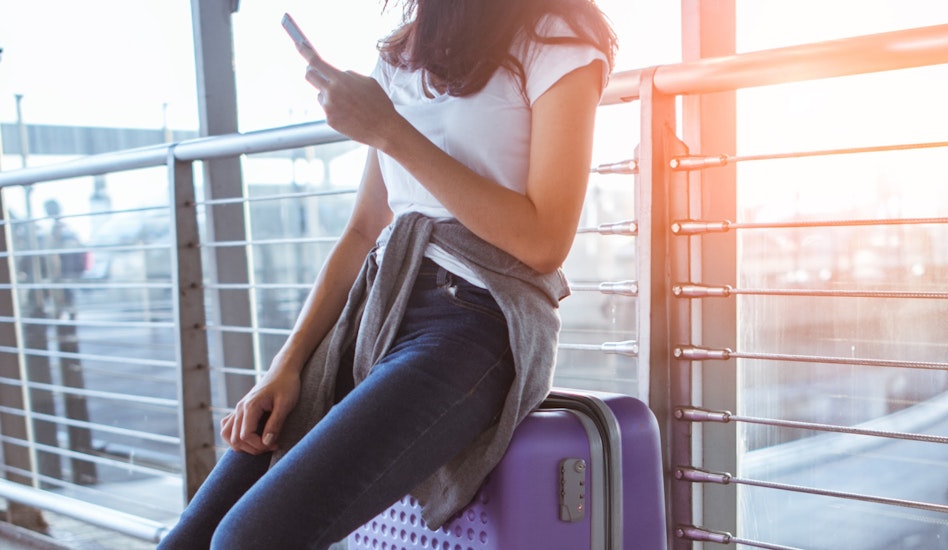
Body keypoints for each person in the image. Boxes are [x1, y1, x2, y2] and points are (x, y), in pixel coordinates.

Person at [158, 0, 616, 547]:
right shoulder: (406, 51)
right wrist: (287, 365)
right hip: (378, 312)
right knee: (190, 538)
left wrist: (388, 128)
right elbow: (362, 231)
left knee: (247, 539)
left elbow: (545, 241)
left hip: (476, 319)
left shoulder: (556, 40)